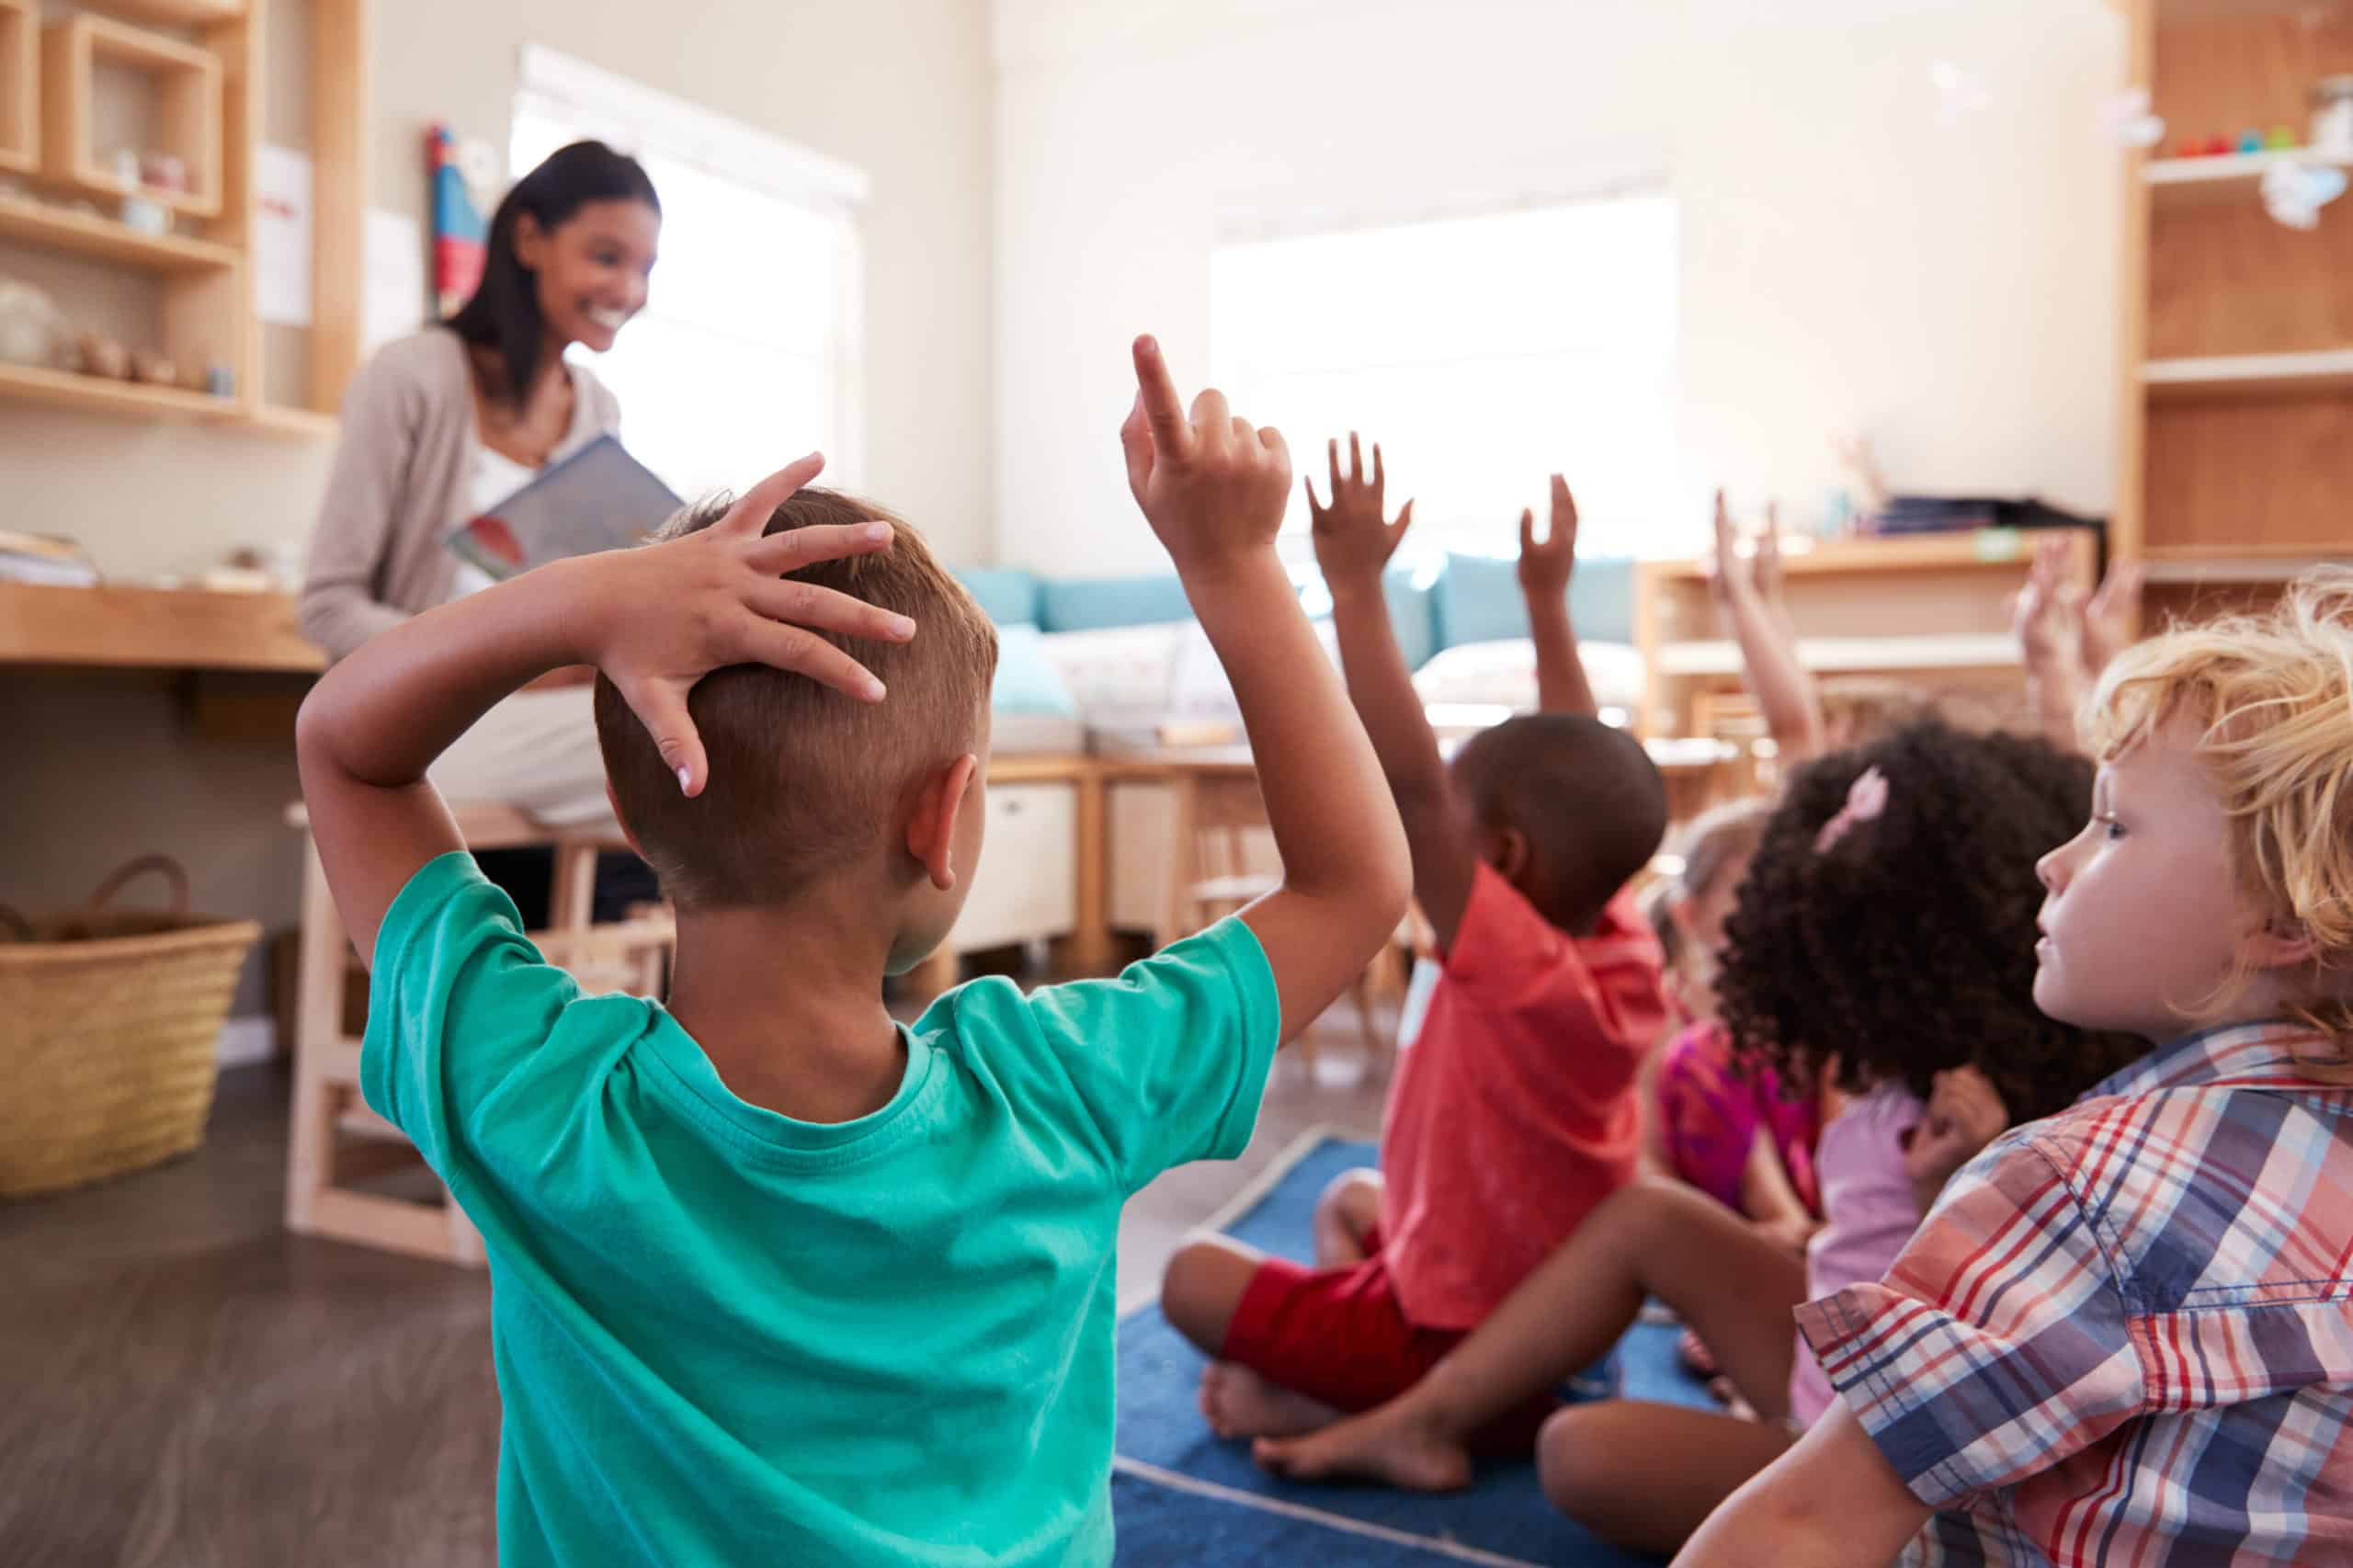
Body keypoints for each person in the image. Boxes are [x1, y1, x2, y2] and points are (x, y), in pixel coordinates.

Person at [290, 335, 1411, 1565]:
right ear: (945, 818)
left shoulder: (541, 1103)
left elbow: (344, 745)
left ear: (632, 802)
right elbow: (1355, 885)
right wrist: (1238, 566)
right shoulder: (1064, 1087)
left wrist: (590, 595)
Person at [1255, 722, 2141, 1561]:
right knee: (1648, 1216)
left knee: (1580, 1453)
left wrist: (1936, 1198)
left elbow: (1980, 1360)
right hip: (1847, 1345)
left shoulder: (1991, 1108)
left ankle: (1424, 1412)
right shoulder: (1911, 1052)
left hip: (1879, 1449)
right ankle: (1423, 1417)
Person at [1677, 574, 2353, 1566]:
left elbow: (1802, 1524)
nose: (2052, 861)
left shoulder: (2077, 1185)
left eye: (2113, 827)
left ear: (2284, 917)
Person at [1161, 441, 1670, 1454]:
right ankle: (1395, 1392)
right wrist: (1546, 601)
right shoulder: (1613, 941)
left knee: (1190, 1276)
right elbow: (1579, 751)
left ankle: (1395, 1416)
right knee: (1354, 1199)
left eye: (1466, 829)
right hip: (1559, 1321)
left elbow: (1411, 786)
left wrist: (1353, 585)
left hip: (1456, 1335)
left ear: (1506, 857)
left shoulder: (1514, 969)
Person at [300, 140, 661, 921]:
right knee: (686, 747)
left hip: (542, 723)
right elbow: (328, 608)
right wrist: (507, 656)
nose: (627, 290)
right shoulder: (413, 375)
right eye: (606, 256)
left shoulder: (598, 410)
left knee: (702, 719)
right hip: (423, 725)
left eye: (645, 270)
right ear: (528, 239)